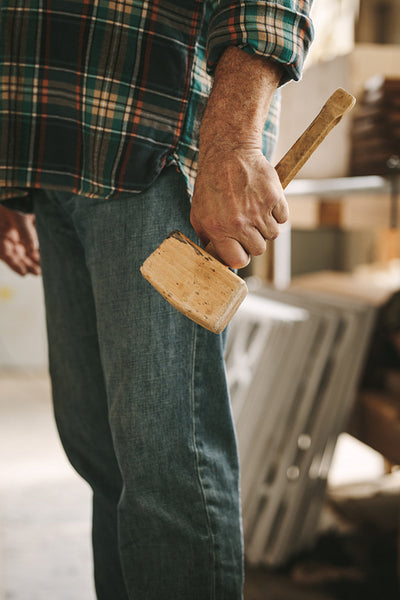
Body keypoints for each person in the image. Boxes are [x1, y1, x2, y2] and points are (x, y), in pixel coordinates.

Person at [0, 1, 313, 598]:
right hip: (48, 145)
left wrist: (234, 139)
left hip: (150, 140)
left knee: (167, 476)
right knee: (104, 460)